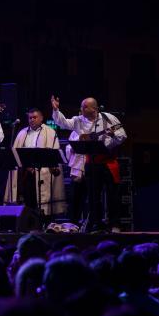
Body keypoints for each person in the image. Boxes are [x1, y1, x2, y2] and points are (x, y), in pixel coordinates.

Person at [51, 96, 127, 232]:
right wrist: (56, 110)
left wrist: (108, 142)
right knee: (93, 196)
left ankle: (115, 224)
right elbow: (62, 123)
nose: (81, 109)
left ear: (94, 109)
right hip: (91, 163)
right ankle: (96, 224)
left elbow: (122, 135)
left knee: (112, 195)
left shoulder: (108, 118)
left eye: (85, 106)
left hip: (108, 162)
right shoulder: (78, 121)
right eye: (81, 106)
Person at [3, 108, 66, 218]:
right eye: (30, 118)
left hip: (43, 173)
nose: (32, 120)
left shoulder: (50, 132)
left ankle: (44, 222)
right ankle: (29, 223)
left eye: (34, 117)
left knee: (42, 201)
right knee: (29, 200)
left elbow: (53, 154)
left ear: (41, 118)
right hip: (26, 173)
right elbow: (16, 153)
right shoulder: (22, 133)